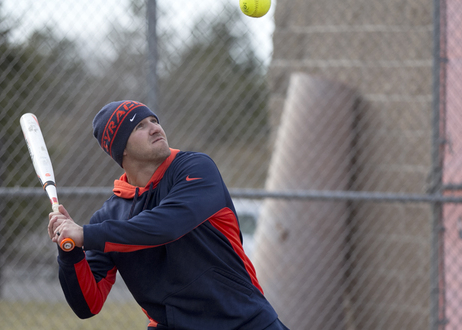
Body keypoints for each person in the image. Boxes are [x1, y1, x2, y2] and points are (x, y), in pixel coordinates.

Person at [48, 100, 288, 330]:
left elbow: (166, 225)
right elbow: (88, 304)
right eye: (139, 126)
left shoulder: (196, 168)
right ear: (121, 149)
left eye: (153, 120)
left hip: (244, 321)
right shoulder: (108, 218)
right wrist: (68, 248)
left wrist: (85, 234)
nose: (154, 128)